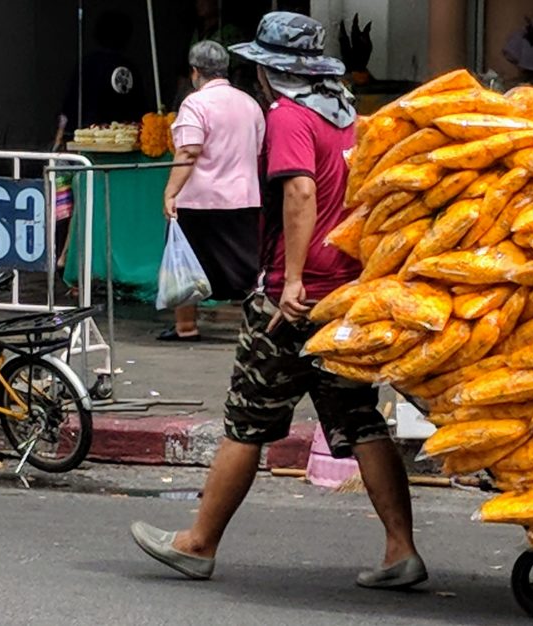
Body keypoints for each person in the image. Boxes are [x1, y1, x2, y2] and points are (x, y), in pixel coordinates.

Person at [131, 12, 428, 590]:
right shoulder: (345, 117)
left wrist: (289, 281)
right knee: (361, 420)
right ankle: (401, 550)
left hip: (296, 300)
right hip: (341, 291)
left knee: (246, 420)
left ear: (271, 72)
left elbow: (299, 192)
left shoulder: (289, 117)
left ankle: (198, 543)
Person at [157, 41, 264, 342]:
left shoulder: (195, 104)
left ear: (195, 71)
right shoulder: (250, 104)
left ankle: (186, 327)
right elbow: (257, 150)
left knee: (185, 264)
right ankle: (258, 327)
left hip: (199, 201)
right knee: (247, 268)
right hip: (243, 197)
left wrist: (170, 192)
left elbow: (189, 151)